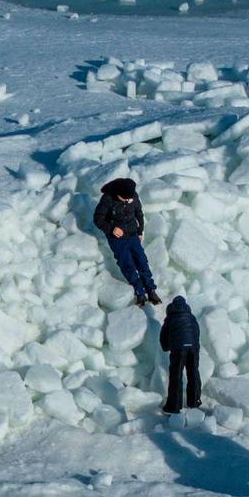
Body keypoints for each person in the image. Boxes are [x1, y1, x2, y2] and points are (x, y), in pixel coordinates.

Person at [93, 177, 161, 307]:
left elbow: (139, 214)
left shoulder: (132, 195)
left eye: (129, 198)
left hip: (133, 234)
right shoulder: (108, 198)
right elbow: (97, 218)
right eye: (124, 198)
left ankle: (150, 289)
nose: (127, 200)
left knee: (141, 260)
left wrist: (140, 231)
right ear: (118, 193)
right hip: (117, 239)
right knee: (127, 264)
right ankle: (138, 289)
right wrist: (111, 229)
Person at [159, 295, 201, 414]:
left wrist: (166, 347)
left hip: (178, 349)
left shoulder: (171, 318)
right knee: (193, 374)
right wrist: (194, 347)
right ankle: (194, 401)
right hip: (193, 348)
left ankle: (174, 406)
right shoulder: (192, 318)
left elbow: (163, 336)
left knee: (176, 377)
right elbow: (197, 333)